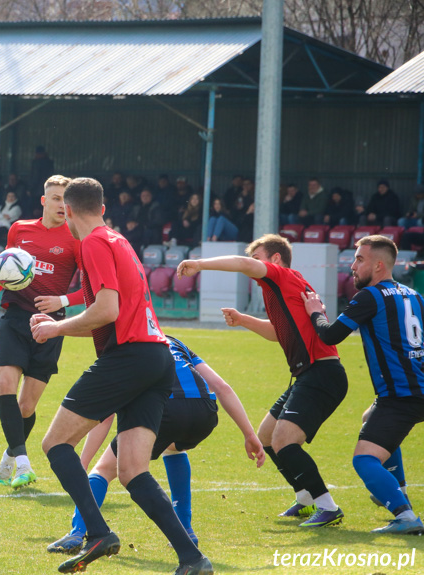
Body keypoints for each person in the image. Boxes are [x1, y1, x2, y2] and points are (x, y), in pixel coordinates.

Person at [30, 177, 211, 575]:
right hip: (157, 356)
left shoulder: (92, 243)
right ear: (104, 208)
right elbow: (110, 311)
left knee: (55, 443)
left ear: (70, 212)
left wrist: (56, 327)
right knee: (132, 470)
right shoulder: (118, 240)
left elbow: (107, 310)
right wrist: (63, 320)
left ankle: (97, 532)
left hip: (129, 357)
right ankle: (193, 559)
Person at [176, 233, 348, 528]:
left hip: (322, 373)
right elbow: (276, 332)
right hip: (308, 374)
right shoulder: (280, 289)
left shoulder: (282, 276)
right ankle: (306, 499)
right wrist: (243, 319)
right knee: (267, 436)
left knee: (284, 442)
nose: (252, 266)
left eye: (258, 259)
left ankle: (328, 507)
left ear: (275, 259)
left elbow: (243, 264)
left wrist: (200, 263)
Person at [47, 335, 264, 554]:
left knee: (103, 470)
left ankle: (77, 533)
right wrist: (249, 433)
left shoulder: (128, 347)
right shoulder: (174, 342)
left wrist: (82, 462)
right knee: (173, 448)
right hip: (205, 412)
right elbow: (221, 386)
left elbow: (106, 415)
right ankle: (186, 529)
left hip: (166, 410)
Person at [0, 175, 81, 491]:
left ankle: (7, 461)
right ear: (44, 201)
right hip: (15, 319)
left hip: (51, 327)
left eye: (65, 199)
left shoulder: (76, 239)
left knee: (26, 407)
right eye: (56, 198)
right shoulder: (20, 230)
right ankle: (24, 464)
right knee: (5, 384)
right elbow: (2, 271)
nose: (61, 204)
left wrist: (63, 300)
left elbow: (95, 289)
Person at [303, 235, 424, 534]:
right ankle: (399, 492)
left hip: (400, 396)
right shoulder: (414, 295)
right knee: (369, 417)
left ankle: (405, 515)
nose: (353, 265)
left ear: (379, 265)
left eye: (359, 259)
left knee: (365, 460)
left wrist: (315, 311)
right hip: (415, 389)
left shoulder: (370, 297)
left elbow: (330, 335)